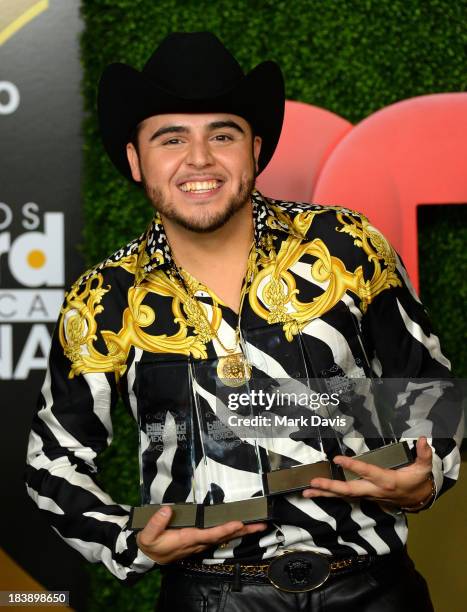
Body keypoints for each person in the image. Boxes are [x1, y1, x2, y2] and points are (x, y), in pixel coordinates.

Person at [26, 32, 461, 611]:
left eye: (222, 135)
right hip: (209, 597)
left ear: (254, 148)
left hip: (373, 587)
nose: (199, 159)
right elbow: (52, 458)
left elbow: (426, 380)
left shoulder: (346, 245)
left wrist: (428, 475)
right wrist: (126, 539)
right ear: (135, 159)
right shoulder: (104, 297)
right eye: (170, 138)